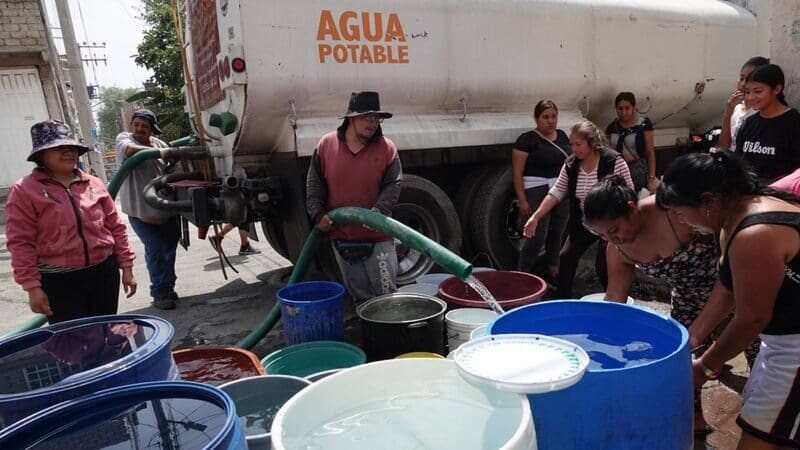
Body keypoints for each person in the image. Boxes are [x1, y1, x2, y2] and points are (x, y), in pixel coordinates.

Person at [584, 174, 760, 435]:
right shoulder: (618, 250)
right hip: (688, 299)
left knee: (757, 350)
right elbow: (615, 303)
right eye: (602, 234)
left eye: (614, 230)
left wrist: (701, 330)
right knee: (682, 360)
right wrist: (599, 350)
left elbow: (731, 248)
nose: (612, 238)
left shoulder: (673, 211)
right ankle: (694, 418)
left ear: (632, 209)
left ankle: (763, 417)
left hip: (735, 286)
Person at [657, 150, 800, 449]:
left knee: (760, 437)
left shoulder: (755, 234)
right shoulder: (733, 220)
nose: (682, 222)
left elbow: (751, 318)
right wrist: (690, 339)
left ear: (708, 201)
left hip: (795, 347)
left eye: (681, 213)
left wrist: (704, 368)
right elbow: (727, 291)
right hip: (780, 342)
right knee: (770, 420)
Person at [6, 120, 137, 324]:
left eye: (72, 148)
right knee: (73, 343)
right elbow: (20, 243)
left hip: (103, 274)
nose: (68, 153)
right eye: (59, 148)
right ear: (41, 155)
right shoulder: (24, 190)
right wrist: (32, 287)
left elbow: (116, 228)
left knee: (105, 332)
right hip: (59, 282)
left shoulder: (94, 184)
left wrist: (126, 268)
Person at [306, 91, 402, 303]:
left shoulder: (386, 148)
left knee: (387, 297)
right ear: (351, 118)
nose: (373, 122)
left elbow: (393, 183)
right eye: (367, 117)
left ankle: (392, 336)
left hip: (379, 239)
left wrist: (378, 212)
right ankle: (369, 336)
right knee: (361, 299)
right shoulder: (326, 145)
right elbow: (315, 185)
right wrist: (318, 215)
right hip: (343, 239)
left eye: (376, 117)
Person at [523, 120, 633, 298]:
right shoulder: (571, 164)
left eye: (578, 144)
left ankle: (616, 302)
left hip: (611, 224)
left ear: (592, 142)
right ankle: (564, 300)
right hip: (586, 223)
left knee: (604, 267)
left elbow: (630, 193)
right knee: (566, 258)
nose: (574, 148)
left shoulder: (613, 161)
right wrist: (536, 216)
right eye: (572, 144)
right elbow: (556, 192)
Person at [116, 109, 180, 310]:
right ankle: (159, 293)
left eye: (145, 126)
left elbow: (176, 169)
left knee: (169, 250)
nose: (139, 129)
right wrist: (158, 153)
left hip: (167, 211)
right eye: (136, 124)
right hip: (140, 213)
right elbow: (127, 150)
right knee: (156, 250)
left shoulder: (160, 144)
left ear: (152, 129)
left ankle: (168, 287)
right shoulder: (124, 139)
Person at [512, 100, 571, 282]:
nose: (550, 121)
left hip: (560, 190)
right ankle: (524, 274)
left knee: (557, 232)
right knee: (536, 235)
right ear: (537, 119)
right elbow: (517, 173)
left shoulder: (562, 136)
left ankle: (553, 270)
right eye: (545, 117)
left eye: (553, 116)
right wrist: (522, 199)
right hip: (536, 190)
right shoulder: (527, 140)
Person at [734, 63, 800, 183]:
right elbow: (738, 163)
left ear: (777, 89)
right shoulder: (749, 123)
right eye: (747, 92)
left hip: (781, 196)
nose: (751, 97)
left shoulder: (793, 123)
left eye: (758, 91)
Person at [605, 92, 658, 193]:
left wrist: (652, 178)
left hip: (637, 170)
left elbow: (650, 152)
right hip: (618, 171)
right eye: (620, 108)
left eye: (627, 108)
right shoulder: (612, 127)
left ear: (633, 107)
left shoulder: (643, 125)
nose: (624, 112)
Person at [719, 56, 770, 151]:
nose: (743, 84)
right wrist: (727, 114)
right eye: (741, 78)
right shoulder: (737, 108)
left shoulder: (763, 112)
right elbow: (724, 146)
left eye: (749, 80)